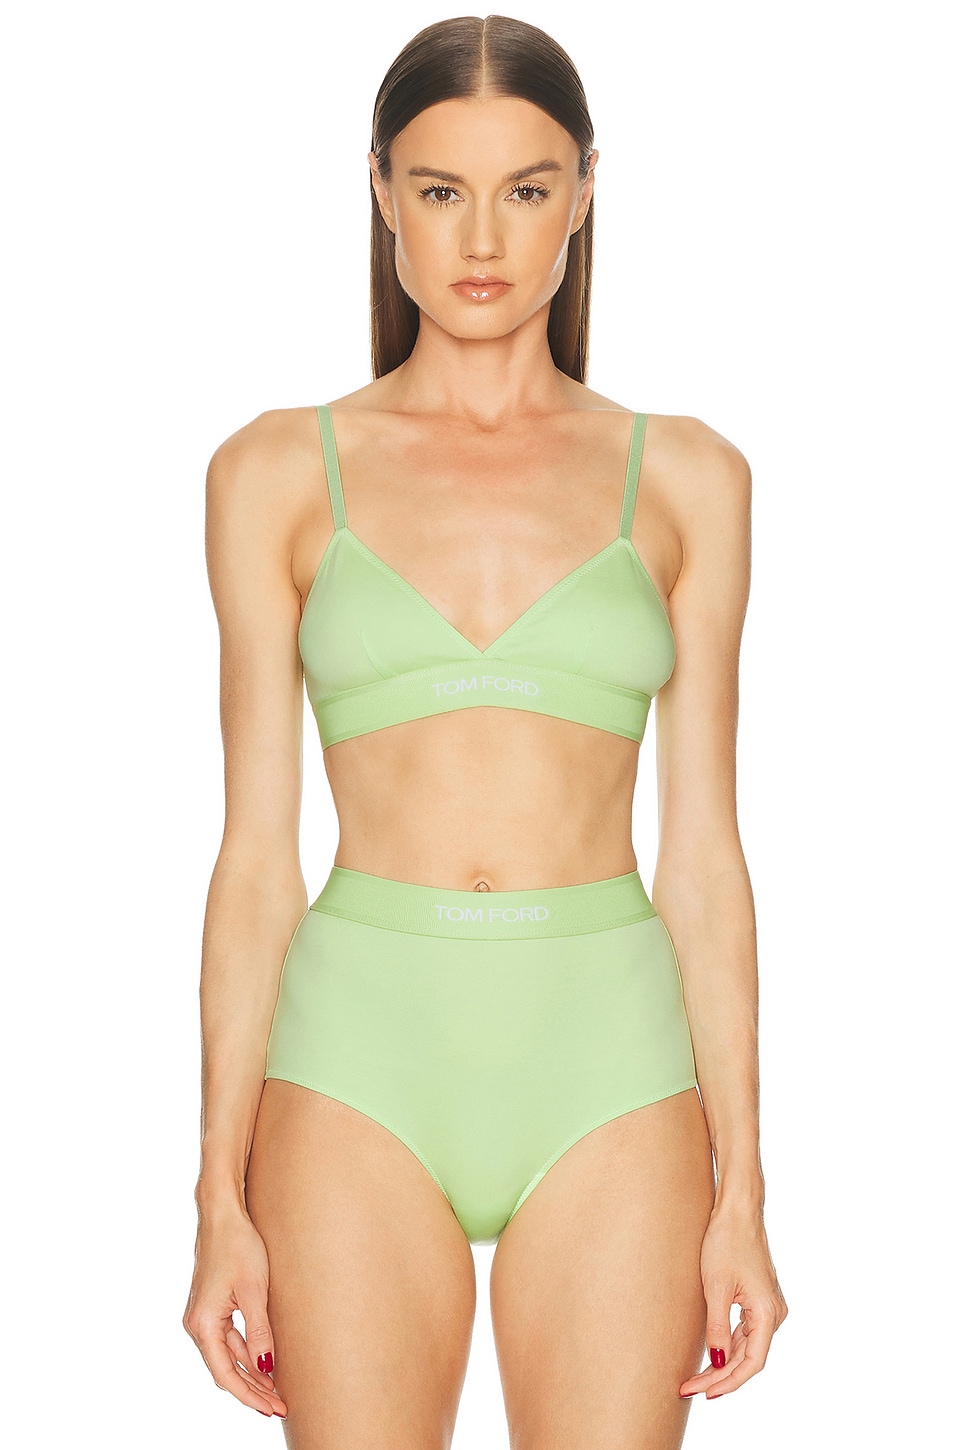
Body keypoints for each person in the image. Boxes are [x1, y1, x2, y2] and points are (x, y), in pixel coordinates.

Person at [183, 14, 788, 1446]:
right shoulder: (275, 472)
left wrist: (748, 1193)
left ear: (584, 192)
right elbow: (255, 859)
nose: (481, 237)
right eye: (439, 187)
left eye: (526, 188)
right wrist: (215, 1195)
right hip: (355, 1054)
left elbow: (705, 859)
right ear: (382, 191)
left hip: (611, 1056)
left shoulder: (688, 477)